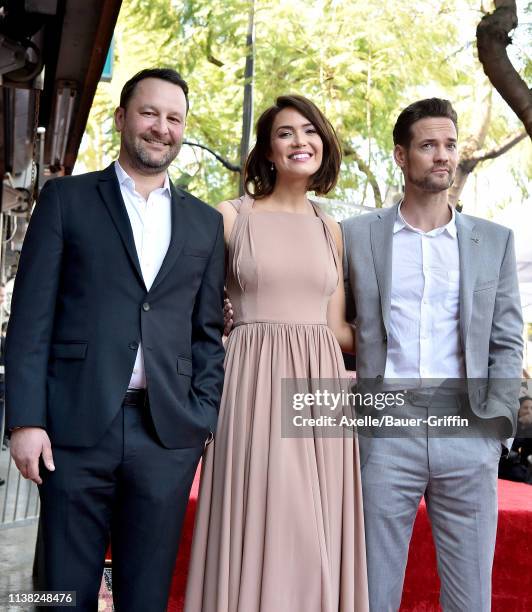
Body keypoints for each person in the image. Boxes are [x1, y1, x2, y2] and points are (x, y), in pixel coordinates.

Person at [5, 68, 225, 611]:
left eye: (174, 118)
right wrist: (25, 421)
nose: (161, 128)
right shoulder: (66, 200)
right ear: (123, 117)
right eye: (149, 113)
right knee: (60, 591)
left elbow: (207, 334)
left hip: (166, 435)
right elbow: (31, 320)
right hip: (73, 430)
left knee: (146, 596)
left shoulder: (204, 223)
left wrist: (202, 417)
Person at [185, 95, 369, 612]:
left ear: (323, 145)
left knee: (316, 530)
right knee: (267, 514)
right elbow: (196, 312)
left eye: (310, 131)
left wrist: (404, 333)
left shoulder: (330, 228)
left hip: (323, 384)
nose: (299, 142)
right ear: (268, 150)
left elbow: (336, 329)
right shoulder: (230, 217)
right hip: (252, 380)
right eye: (286, 133)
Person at [342, 98, 523, 611]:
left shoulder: (494, 241)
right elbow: (332, 321)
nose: (442, 156)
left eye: (449, 144)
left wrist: (497, 427)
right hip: (384, 433)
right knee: (372, 592)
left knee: (471, 599)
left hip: (468, 430)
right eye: (428, 145)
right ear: (401, 156)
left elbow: (507, 340)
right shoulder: (356, 236)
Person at [499, 396, 532, 483]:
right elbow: (509, 447)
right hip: (508, 466)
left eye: (531, 408)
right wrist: (521, 424)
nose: (529, 411)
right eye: (525, 408)